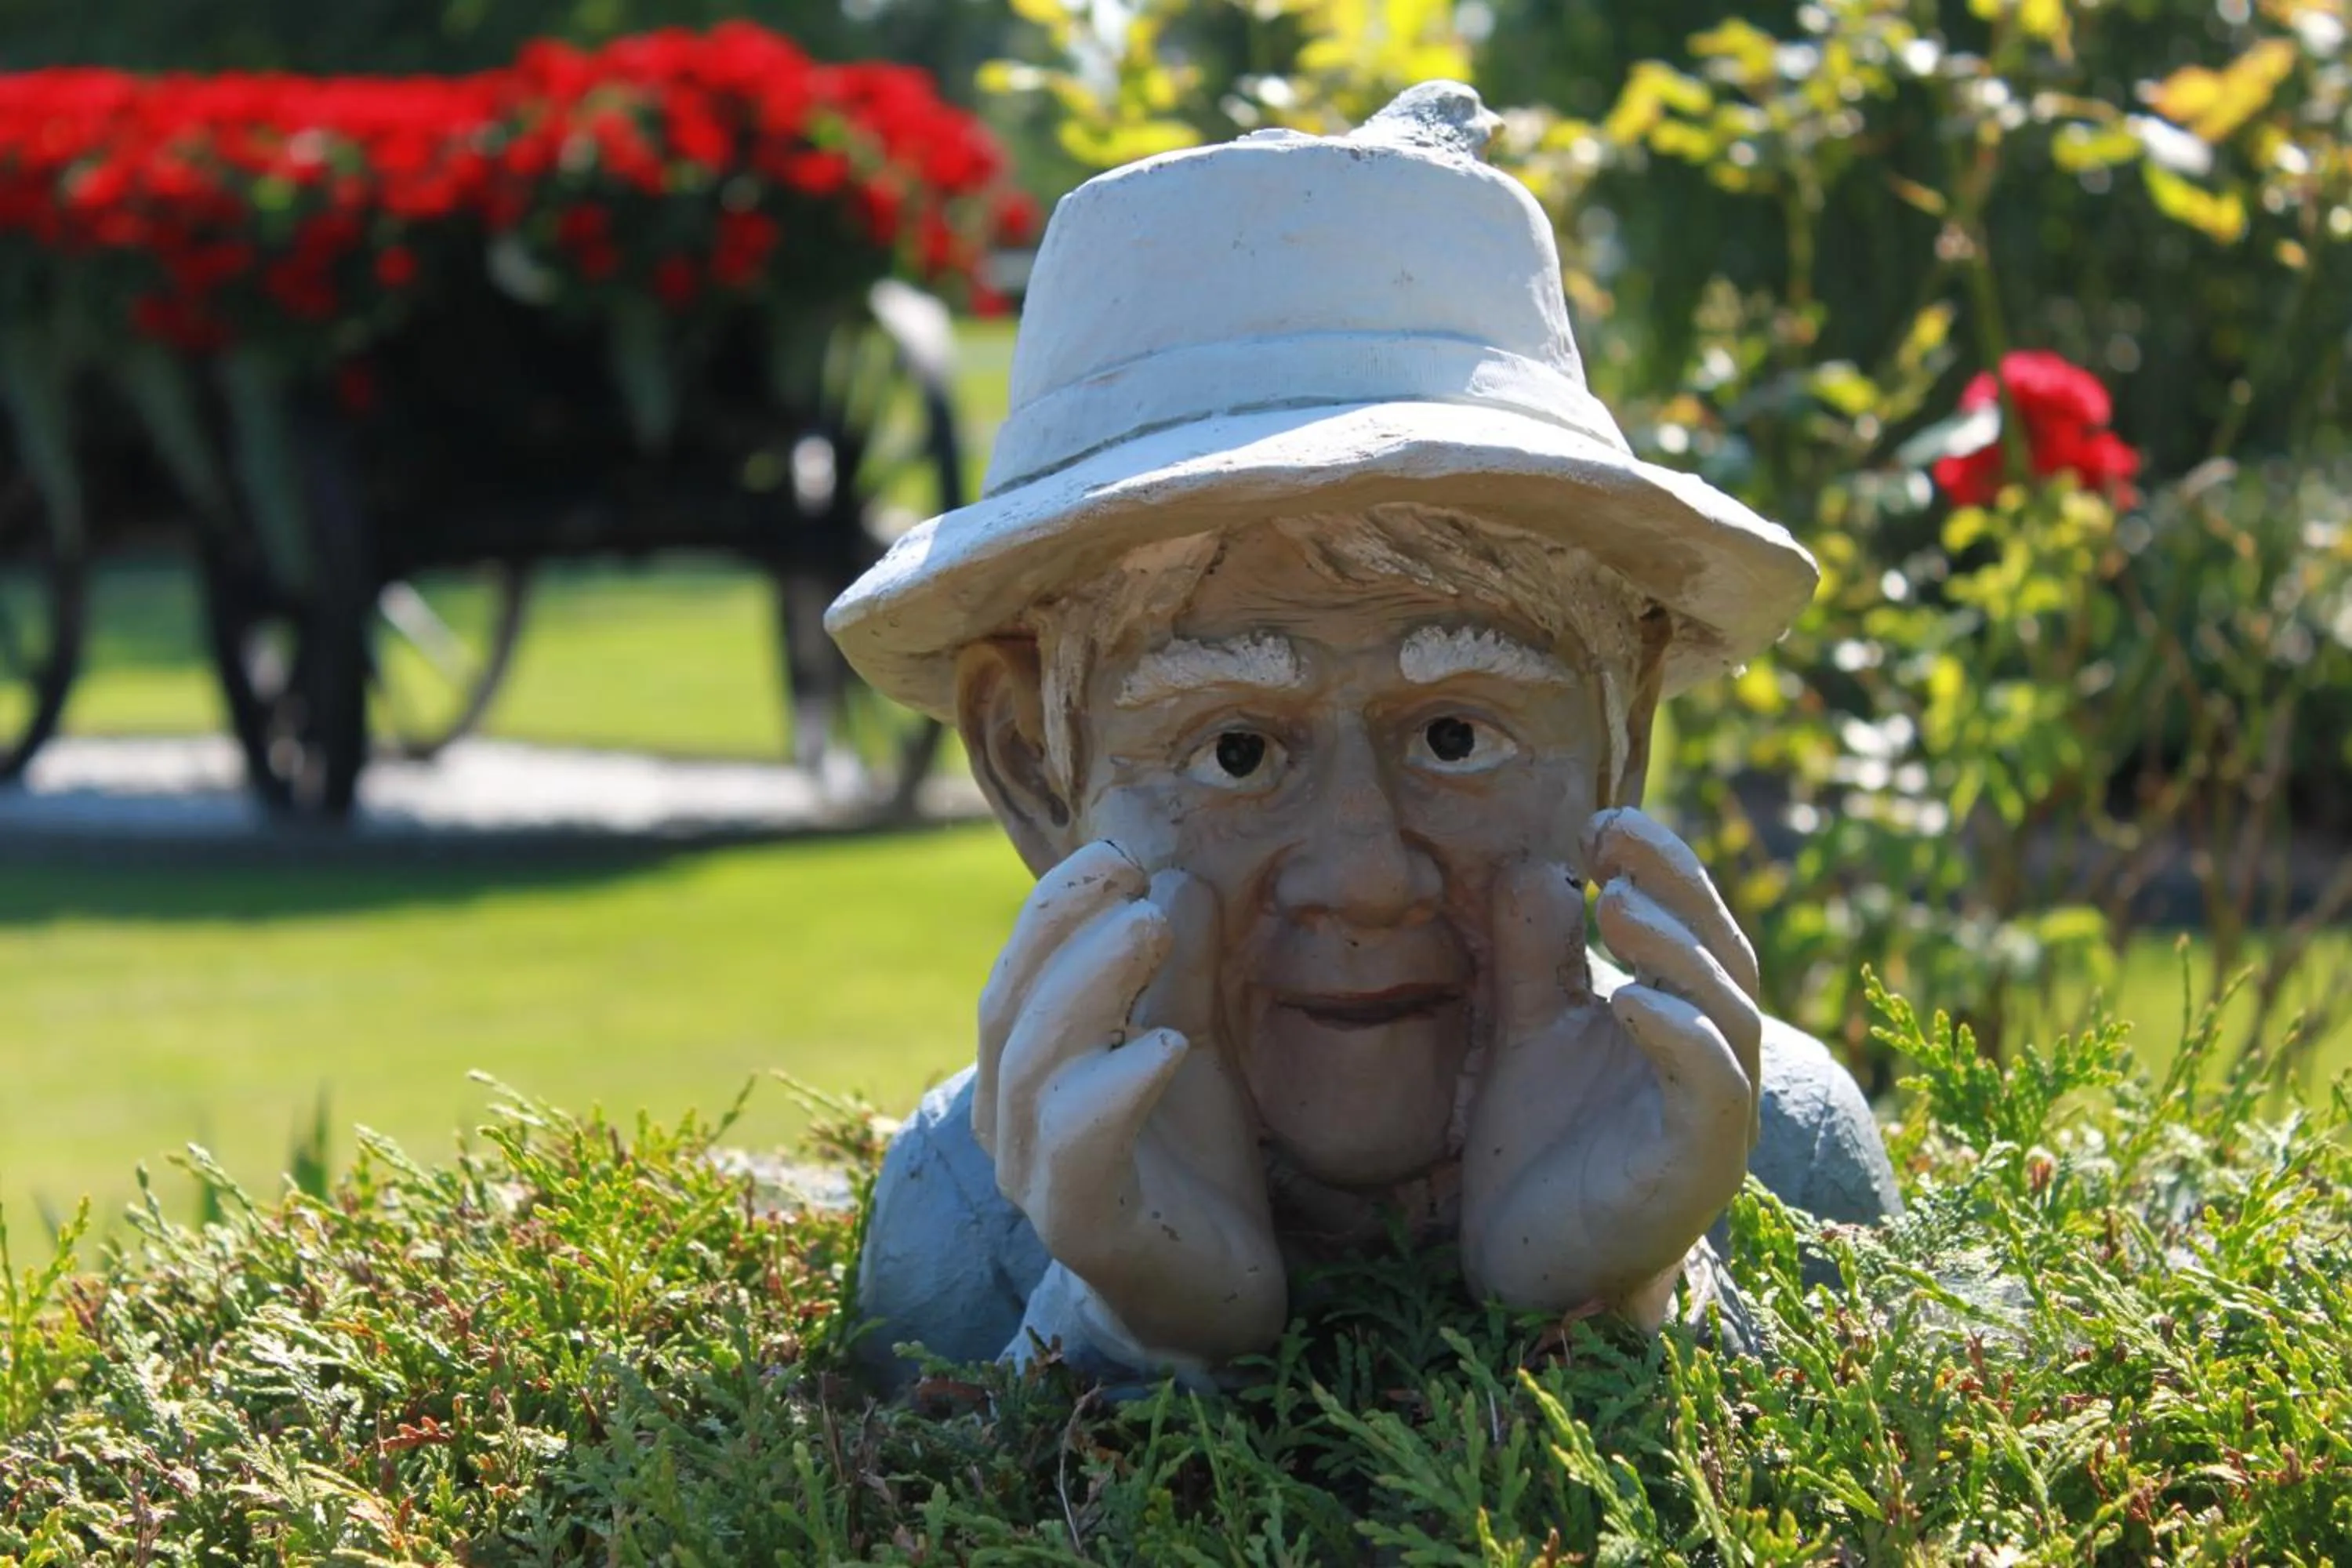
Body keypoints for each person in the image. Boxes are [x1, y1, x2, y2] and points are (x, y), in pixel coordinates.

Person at [826, 82, 1899, 1388]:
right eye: (1234, 751)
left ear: (1624, 733)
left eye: (1456, 735)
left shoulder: (1767, 1146)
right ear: (1033, 767)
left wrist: (1624, 1293)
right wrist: (1135, 1332)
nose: (1367, 874)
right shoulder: (965, 1208)